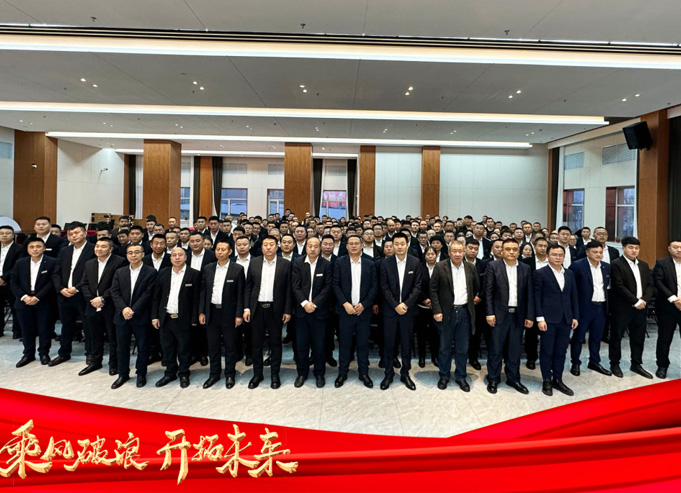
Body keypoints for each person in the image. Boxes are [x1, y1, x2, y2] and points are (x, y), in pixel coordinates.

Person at [484, 239, 535, 394]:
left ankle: (513, 378)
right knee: (496, 348)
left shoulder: (525, 268)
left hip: (518, 315)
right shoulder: (493, 266)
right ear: (502, 251)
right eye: (508, 249)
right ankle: (493, 378)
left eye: (514, 249)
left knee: (514, 349)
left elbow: (529, 293)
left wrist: (530, 316)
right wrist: (489, 313)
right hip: (499, 314)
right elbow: (488, 292)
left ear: (518, 252)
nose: (511, 252)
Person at [243, 235, 292, 389]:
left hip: (275, 310)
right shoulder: (254, 262)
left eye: (272, 244)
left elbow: (288, 289)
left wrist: (287, 310)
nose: (268, 247)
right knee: (256, 344)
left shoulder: (285, 264)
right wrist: (246, 308)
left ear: (277, 247)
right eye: (265, 244)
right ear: (261, 247)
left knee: (276, 343)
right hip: (257, 309)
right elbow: (248, 287)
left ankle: (275, 374)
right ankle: (257, 374)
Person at [430, 241, 480, 392]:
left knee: (462, 348)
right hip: (446, 313)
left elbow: (476, 287)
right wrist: (437, 310)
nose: (457, 254)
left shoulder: (470, 267)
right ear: (449, 252)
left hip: (465, 312)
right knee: (444, 347)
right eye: (454, 251)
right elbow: (433, 290)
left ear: (464, 252)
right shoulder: (440, 266)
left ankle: (461, 376)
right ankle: (444, 376)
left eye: (460, 251)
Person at [534, 245, 579, 396]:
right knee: (547, 350)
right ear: (547, 256)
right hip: (548, 319)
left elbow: (573, 296)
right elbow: (537, 298)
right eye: (554, 254)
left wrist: (574, 316)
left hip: (566, 318)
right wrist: (540, 318)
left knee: (561, 350)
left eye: (560, 255)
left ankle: (557, 379)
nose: (558, 257)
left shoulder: (569, 274)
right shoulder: (540, 273)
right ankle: (547, 379)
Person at [152, 247, 200, 389]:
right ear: (170, 258)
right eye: (174, 255)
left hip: (183, 318)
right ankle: (170, 373)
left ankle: (184, 373)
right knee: (167, 347)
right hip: (165, 317)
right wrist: (154, 316)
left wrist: (194, 319)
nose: (177, 257)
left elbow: (196, 299)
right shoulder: (163, 273)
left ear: (186, 257)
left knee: (184, 347)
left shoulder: (194, 274)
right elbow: (156, 297)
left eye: (180, 255)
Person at [110, 244, 157, 389]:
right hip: (122, 315)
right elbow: (114, 292)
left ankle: (141, 373)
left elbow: (148, 293)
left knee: (143, 347)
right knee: (122, 347)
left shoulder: (151, 272)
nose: (133, 255)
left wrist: (133, 310)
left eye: (137, 252)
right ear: (126, 255)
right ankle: (123, 374)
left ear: (143, 254)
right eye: (130, 253)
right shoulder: (120, 272)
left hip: (141, 316)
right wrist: (124, 308)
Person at [199, 239, 245, 389]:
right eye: (217, 249)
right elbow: (203, 292)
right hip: (212, 311)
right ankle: (214, 374)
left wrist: (238, 314)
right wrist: (201, 311)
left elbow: (240, 294)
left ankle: (230, 374)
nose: (219, 252)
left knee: (230, 345)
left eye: (223, 249)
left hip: (229, 313)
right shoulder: (208, 268)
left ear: (230, 252)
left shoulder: (237, 269)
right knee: (213, 345)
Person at [379, 233, 422, 391]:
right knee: (389, 343)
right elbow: (384, 286)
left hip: (408, 312)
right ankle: (388, 373)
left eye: (402, 243)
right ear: (392, 245)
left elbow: (418, 286)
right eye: (396, 244)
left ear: (407, 245)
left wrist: (406, 304)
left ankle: (405, 373)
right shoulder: (386, 263)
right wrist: (396, 305)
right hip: (390, 311)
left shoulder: (415, 262)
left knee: (406, 343)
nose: (399, 246)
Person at [333, 234, 377, 388]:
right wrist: (345, 303)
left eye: (356, 243)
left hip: (363, 311)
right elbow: (335, 285)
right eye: (350, 243)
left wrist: (364, 304)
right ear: (346, 246)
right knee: (344, 343)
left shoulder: (370, 263)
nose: (353, 246)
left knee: (363, 343)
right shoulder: (340, 262)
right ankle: (342, 372)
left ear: (362, 245)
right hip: (345, 311)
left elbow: (374, 286)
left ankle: (363, 372)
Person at [50, 222, 96, 367]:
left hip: (83, 294)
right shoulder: (64, 250)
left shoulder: (93, 249)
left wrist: (77, 288)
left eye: (77, 232)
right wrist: (60, 289)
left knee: (88, 326)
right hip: (64, 294)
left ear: (85, 233)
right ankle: (64, 353)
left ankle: (90, 353)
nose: (73, 236)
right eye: (70, 234)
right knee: (66, 325)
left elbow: (93, 274)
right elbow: (56, 272)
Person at [608, 236, 653, 379]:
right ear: (623, 248)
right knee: (616, 337)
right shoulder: (616, 264)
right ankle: (614, 364)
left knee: (638, 337)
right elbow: (618, 286)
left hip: (641, 307)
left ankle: (636, 364)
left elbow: (650, 285)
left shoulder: (643, 265)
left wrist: (643, 300)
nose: (634, 250)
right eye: (631, 247)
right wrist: (635, 301)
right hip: (622, 308)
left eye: (636, 248)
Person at [80, 237, 126, 376]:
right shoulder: (89, 263)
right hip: (92, 305)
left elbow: (117, 285)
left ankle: (114, 364)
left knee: (113, 337)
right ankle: (95, 362)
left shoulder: (119, 262)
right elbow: (84, 284)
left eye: (103, 246)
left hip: (111, 306)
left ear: (110, 249)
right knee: (94, 336)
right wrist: (92, 300)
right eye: (97, 246)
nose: (99, 249)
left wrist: (103, 298)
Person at [291, 237, 333, 388]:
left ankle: (319, 373)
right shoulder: (297, 263)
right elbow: (295, 286)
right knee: (301, 345)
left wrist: (314, 304)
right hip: (301, 312)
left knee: (319, 345)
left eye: (316, 246)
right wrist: (304, 303)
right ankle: (302, 373)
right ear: (306, 247)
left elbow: (328, 287)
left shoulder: (326, 264)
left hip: (319, 312)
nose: (313, 249)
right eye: (310, 246)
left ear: (320, 247)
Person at [568, 241, 612, 377]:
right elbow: (571, 289)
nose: (598, 254)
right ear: (587, 252)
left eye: (600, 252)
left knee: (596, 337)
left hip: (601, 307)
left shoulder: (606, 267)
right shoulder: (577, 266)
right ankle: (575, 362)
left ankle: (594, 361)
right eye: (595, 252)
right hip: (583, 308)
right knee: (579, 337)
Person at [11, 238, 57, 367]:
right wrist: (24, 296)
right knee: (26, 329)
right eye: (31, 247)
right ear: (27, 249)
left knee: (44, 328)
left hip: (44, 301)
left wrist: (38, 297)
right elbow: (13, 282)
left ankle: (44, 353)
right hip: (24, 301)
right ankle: (28, 354)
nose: (35, 249)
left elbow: (52, 282)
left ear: (44, 248)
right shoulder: (20, 262)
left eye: (38, 246)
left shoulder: (52, 262)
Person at [651, 239, 681, 379]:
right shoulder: (662, 263)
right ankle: (662, 366)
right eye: (675, 247)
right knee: (665, 337)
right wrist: (674, 299)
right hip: (667, 307)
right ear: (669, 249)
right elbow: (658, 282)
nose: (679, 250)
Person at [416, 246, 438, 367]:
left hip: (436, 307)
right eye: (428, 254)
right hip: (422, 306)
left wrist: (434, 301)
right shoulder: (419, 267)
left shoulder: (441, 267)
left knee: (435, 333)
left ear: (436, 255)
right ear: (424, 256)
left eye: (432, 254)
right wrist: (424, 299)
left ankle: (435, 356)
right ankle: (422, 357)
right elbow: (416, 285)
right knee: (421, 333)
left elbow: (443, 286)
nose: (430, 256)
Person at [0, 225, 23, 339]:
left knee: (15, 307)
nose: (4, 235)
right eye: (2, 233)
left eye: (7, 233)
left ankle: (17, 331)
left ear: (13, 235)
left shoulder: (19, 248)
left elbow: (17, 266)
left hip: (12, 282)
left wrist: (4, 278)